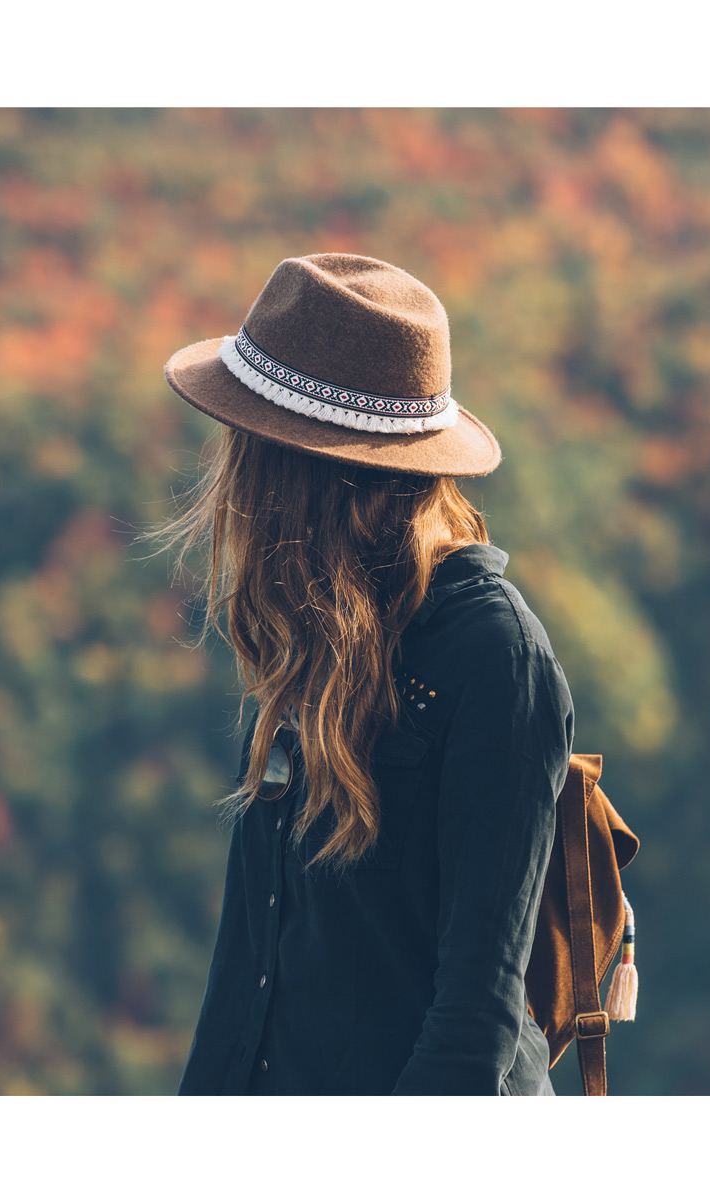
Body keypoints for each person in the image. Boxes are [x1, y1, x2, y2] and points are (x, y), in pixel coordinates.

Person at [155, 253, 574, 1095]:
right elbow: (246, 977)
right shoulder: (306, 644)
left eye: (251, 444)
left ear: (307, 476)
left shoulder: (495, 660)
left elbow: (474, 1024)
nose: (232, 473)